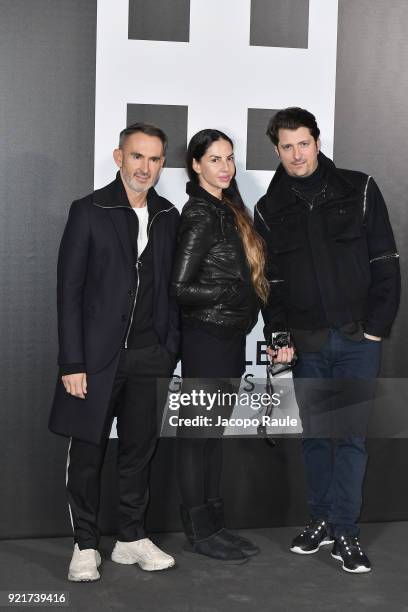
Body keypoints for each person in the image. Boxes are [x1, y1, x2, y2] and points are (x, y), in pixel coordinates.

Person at [254, 107, 400, 573]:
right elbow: (270, 283)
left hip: (358, 339)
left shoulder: (358, 188)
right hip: (306, 344)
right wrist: (279, 337)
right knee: (316, 438)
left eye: (304, 143)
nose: (296, 154)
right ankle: (320, 520)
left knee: (351, 438)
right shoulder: (269, 208)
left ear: (317, 142)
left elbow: (386, 261)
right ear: (276, 150)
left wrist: (375, 327)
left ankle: (347, 533)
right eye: (287, 146)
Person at [49, 122, 180, 581]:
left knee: (138, 454)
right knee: (87, 454)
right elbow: (70, 291)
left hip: (149, 357)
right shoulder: (88, 210)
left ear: (163, 164)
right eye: (138, 156)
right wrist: (72, 362)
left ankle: (131, 538)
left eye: (155, 158)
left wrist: (169, 350)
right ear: (118, 157)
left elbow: (169, 290)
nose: (146, 167)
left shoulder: (168, 215)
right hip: (95, 360)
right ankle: (85, 544)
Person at [171, 129, 268, 562]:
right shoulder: (199, 214)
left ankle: (214, 524)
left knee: (211, 436)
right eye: (214, 159)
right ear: (196, 165)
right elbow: (179, 287)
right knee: (196, 437)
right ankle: (198, 530)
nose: (225, 167)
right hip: (206, 338)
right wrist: (229, 296)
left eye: (228, 158)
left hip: (227, 338)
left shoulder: (227, 208)